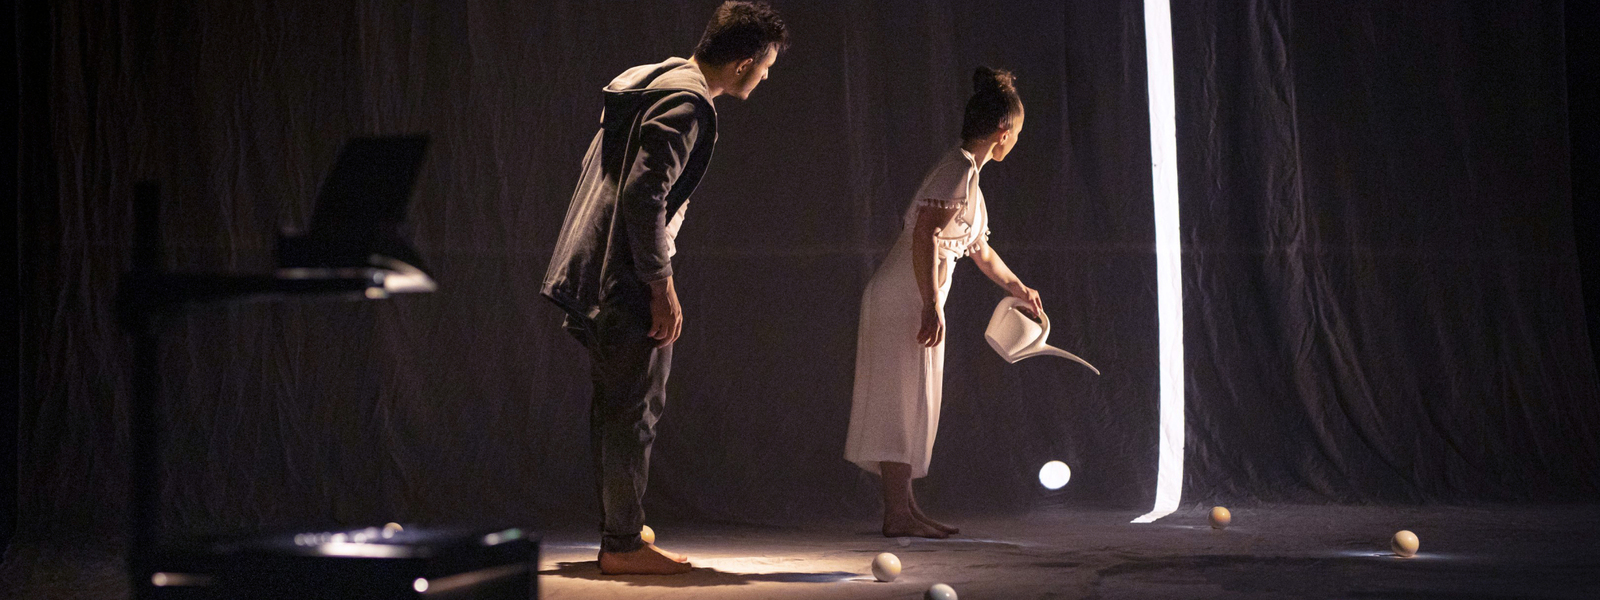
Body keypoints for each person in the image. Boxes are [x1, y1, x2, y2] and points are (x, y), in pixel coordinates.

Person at [541, 1, 788, 575]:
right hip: (624, 276)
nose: (765, 78)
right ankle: (623, 545)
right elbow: (642, 195)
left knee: (616, 406)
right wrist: (661, 285)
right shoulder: (687, 102)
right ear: (744, 62)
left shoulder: (652, 79)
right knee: (635, 409)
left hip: (597, 268)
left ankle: (621, 528)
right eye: (766, 67)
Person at [843, 67, 1042, 539]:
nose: (1017, 140)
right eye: (1018, 132)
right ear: (1003, 131)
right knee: (899, 398)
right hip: (905, 296)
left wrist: (1018, 287)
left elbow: (980, 251)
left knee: (915, 400)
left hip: (917, 296)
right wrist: (931, 304)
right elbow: (925, 236)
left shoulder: (969, 177)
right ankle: (897, 513)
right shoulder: (958, 169)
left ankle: (905, 509)